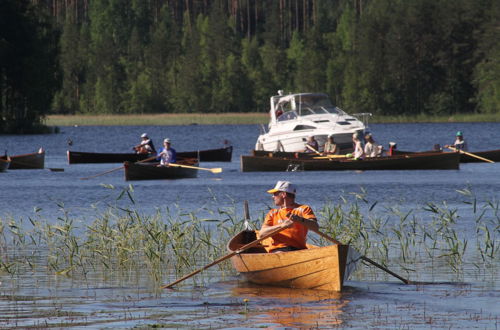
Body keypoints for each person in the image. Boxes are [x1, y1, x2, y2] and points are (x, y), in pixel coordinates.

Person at [259, 181, 319, 253]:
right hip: (278, 250)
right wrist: (282, 226)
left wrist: (300, 220)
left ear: (283, 194)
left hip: (299, 250)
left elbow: (315, 227)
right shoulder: (273, 213)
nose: (273, 197)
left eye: (275, 194)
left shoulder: (304, 209)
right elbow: (262, 234)